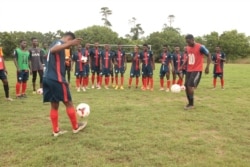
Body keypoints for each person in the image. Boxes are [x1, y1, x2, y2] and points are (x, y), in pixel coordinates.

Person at [43, 32, 87, 137]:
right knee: (69, 103)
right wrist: (70, 43)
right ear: (68, 39)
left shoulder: (55, 43)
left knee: (54, 105)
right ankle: (76, 127)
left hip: (47, 78)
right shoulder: (59, 42)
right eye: (70, 42)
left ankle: (56, 131)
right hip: (56, 79)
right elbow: (53, 50)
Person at [179, 34, 211, 110]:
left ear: (193, 39)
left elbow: (209, 55)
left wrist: (207, 67)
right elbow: (188, 57)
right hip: (189, 69)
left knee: (190, 86)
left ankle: (191, 104)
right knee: (186, 86)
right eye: (187, 42)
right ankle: (189, 103)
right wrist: (182, 65)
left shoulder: (200, 47)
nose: (188, 44)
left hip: (197, 69)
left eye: (189, 41)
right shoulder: (187, 48)